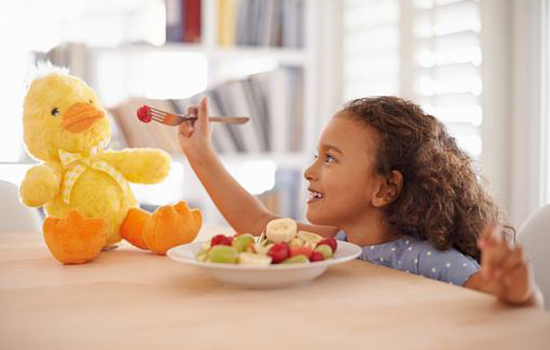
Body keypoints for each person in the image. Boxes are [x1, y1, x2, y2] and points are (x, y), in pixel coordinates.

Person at [178, 96, 544, 308]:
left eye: (330, 158)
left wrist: (518, 292)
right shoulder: (337, 241)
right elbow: (258, 222)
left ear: (385, 189)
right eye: (316, 156)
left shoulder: (425, 259)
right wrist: (199, 151)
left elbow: (502, 302)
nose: (309, 171)